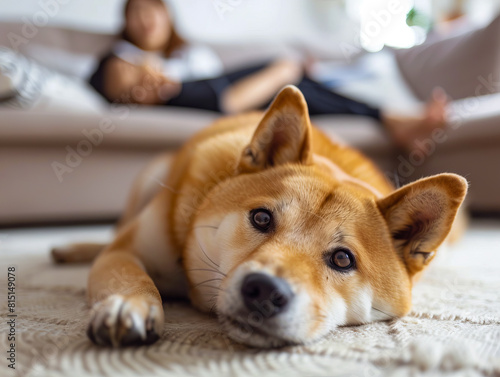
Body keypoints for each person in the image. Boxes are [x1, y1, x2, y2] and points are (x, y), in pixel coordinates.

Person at [89, 0, 448, 151]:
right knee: (292, 82)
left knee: (301, 85)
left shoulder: (191, 60)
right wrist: (281, 71)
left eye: (153, 9)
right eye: (132, 88)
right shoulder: (123, 63)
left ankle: (389, 118)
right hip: (238, 96)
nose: (146, 19)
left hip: (244, 88)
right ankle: (390, 119)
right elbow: (227, 101)